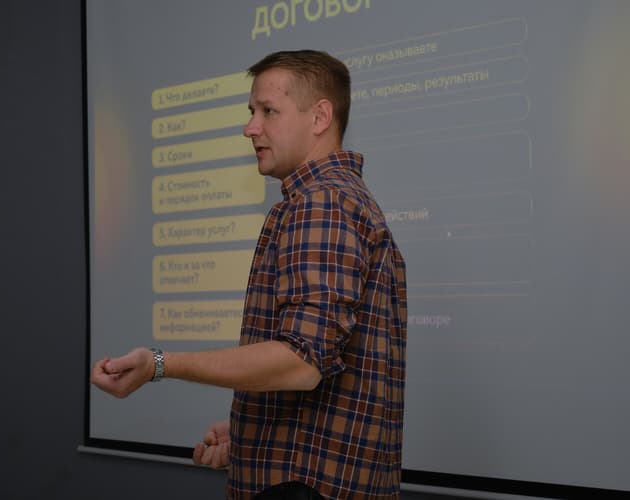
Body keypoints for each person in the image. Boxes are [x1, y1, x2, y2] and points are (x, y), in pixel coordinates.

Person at [91, 50, 408, 499]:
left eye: (268, 111)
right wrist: (250, 430)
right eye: (251, 112)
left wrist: (159, 364)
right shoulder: (339, 199)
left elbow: (301, 362)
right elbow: (323, 369)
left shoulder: (322, 203)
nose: (250, 127)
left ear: (320, 117)